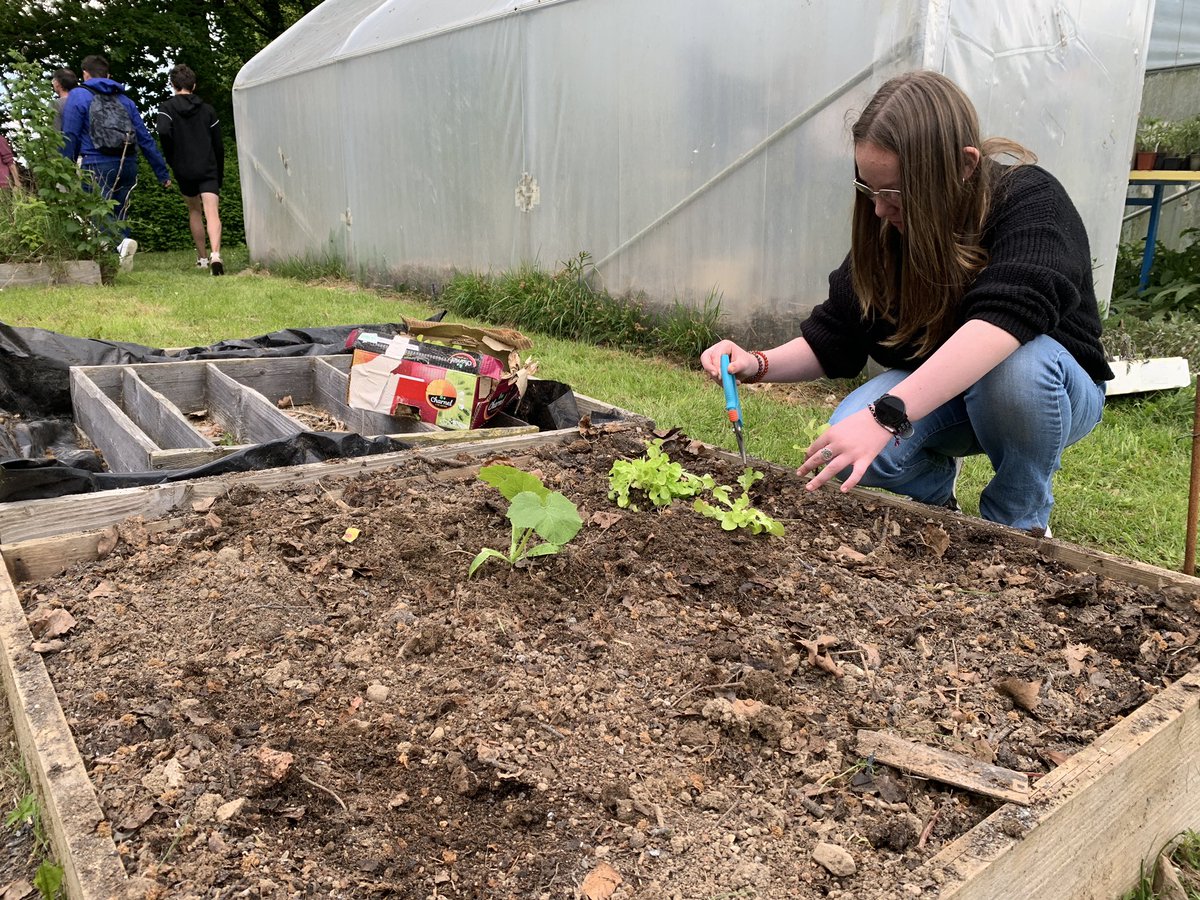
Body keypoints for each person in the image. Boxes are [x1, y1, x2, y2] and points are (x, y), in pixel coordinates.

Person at [700, 70, 1112, 536]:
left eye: (894, 192)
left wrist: (885, 417)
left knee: (1015, 366)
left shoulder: (1031, 202)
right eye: (868, 189)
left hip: (1049, 392)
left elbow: (1002, 324)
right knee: (848, 447)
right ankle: (940, 501)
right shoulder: (888, 227)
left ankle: (1019, 524)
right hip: (952, 394)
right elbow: (836, 335)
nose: (878, 209)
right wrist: (755, 363)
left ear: (963, 165)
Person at [59, 54, 172, 271]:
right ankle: (120, 257)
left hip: (95, 162)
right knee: (120, 212)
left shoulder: (78, 96)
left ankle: (119, 247)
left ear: (85, 73)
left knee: (98, 212)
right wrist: (162, 172)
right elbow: (144, 137)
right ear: (108, 75)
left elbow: (70, 134)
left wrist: (66, 166)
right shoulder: (125, 100)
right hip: (127, 161)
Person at [157, 63, 225, 276]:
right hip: (208, 166)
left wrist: (172, 157)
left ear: (173, 85)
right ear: (194, 85)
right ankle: (216, 254)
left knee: (194, 210)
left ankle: (202, 258)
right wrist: (219, 170)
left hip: (184, 167)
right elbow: (218, 144)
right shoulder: (208, 110)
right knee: (211, 211)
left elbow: (163, 131)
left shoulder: (166, 108)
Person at [51, 68, 77, 134]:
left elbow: (54, 132)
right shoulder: (81, 102)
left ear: (57, 83)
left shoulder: (55, 104)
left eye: (54, 80)